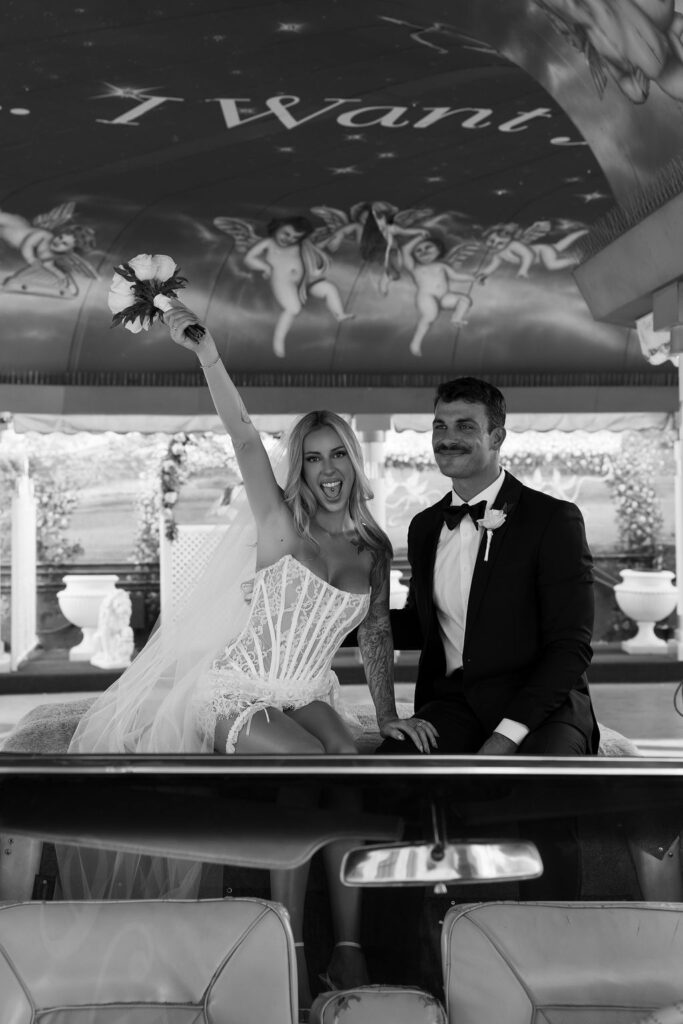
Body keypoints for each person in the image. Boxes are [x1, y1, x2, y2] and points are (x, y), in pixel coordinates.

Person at [67, 300, 428, 1006]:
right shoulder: (279, 522)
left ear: (353, 465)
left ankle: (346, 951)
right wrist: (206, 354)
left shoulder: (373, 548)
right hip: (239, 688)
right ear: (301, 466)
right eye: (313, 458)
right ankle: (289, 940)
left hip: (308, 687)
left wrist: (386, 716)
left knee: (351, 764)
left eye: (337, 457)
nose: (326, 471)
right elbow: (240, 436)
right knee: (299, 763)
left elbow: (377, 633)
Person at [380, 375, 599, 759]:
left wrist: (506, 737)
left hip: (543, 708)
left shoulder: (553, 520)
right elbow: (421, 624)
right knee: (393, 774)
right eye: (440, 426)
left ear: (497, 437)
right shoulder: (425, 527)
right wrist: (333, 622)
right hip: (456, 703)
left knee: (537, 788)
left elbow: (571, 646)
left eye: (465, 426)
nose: (447, 438)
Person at [243, 215, 352, 357]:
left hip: (305, 281)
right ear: (277, 227)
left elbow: (316, 247)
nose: (289, 239)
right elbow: (249, 258)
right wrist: (265, 267)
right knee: (293, 308)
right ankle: (278, 339)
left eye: (295, 237)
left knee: (328, 288)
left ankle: (339, 314)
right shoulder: (269, 243)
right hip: (283, 281)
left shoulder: (301, 245)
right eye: (286, 233)